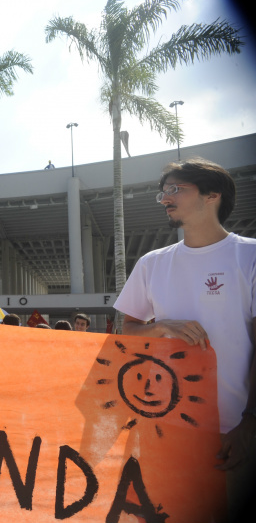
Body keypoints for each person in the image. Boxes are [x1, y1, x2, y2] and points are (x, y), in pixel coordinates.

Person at [113, 158, 256, 521]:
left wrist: (249, 422)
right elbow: (126, 330)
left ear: (212, 196)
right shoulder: (152, 263)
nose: (165, 198)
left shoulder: (249, 255)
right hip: (167, 427)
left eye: (176, 189)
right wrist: (161, 327)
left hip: (235, 430)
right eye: (164, 191)